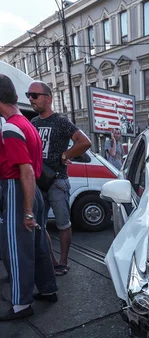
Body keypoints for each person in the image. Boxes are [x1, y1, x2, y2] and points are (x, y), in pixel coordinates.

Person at [0, 74, 58, 321]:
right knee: (38, 245)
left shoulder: (11, 127)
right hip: (32, 191)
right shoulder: (27, 123)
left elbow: (23, 170)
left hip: (18, 189)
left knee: (17, 250)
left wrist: (25, 211)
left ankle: (21, 304)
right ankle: (48, 289)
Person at [28, 81, 91, 276]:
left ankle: (63, 262)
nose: (30, 99)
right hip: (38, 182)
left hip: (57, 181)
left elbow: (85, 142)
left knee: (63, 224)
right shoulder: (33, 123)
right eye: (28, 95)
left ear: (48, 98)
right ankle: (52, 260)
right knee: (39, 224)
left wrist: (66, 155)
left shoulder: (61, 121)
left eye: (34, 95)